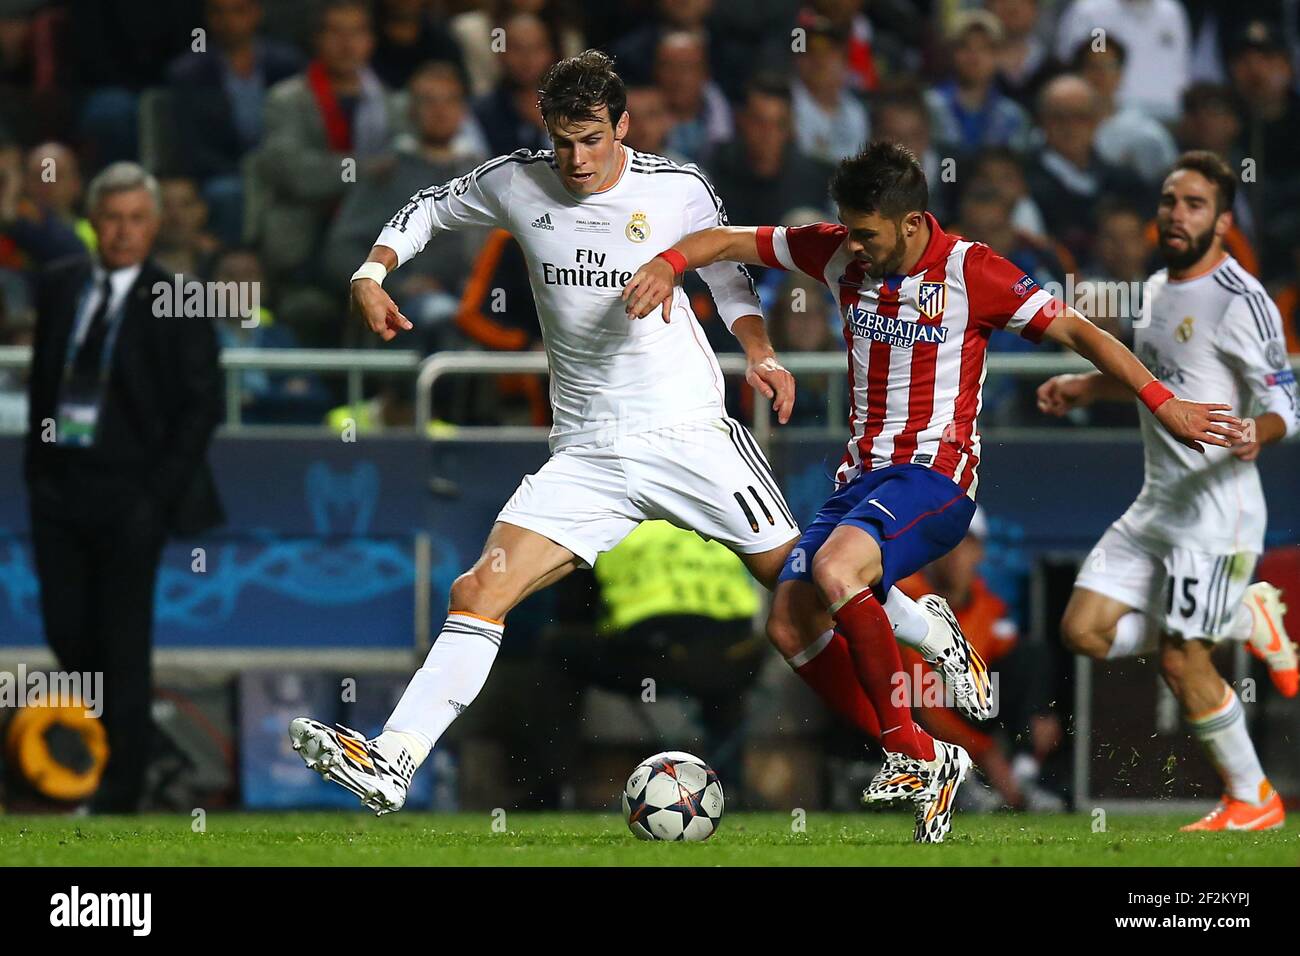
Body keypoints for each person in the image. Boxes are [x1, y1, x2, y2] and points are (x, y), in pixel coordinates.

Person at [622, 141, 1241, 842]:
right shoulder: (835, 250)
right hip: (858, 483)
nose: (853, 246)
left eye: (867, 233)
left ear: (912, 223)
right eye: (847, 229)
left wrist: (1162, 403)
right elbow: (726, 239)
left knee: (833, 570)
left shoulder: (971, 271)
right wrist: (667, 264)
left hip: (934, 478)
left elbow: (1074, 326)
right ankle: (927, 746)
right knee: (790, 623)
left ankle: (903, 748)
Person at [288, 49, 804, 814]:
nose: (576, 158)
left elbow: (728, 274)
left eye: (592, 139)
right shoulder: (516, 180)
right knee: (481, 587)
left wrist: (761, 351)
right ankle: (391, 763)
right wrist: (372, 271)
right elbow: (427, 207)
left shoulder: (676, 189)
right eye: (562, 141)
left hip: (685, 432)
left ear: (622, 125)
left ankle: (921, 712)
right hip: (589, 450)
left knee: (805, 583)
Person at [1038, 150, 1299, 832]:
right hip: (1158, 502)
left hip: (1218, 511)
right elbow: (1149, 374)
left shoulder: (1244, 302)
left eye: (1193, 205)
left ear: (1222, 219)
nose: (1176, 215)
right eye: (1169, 201)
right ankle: (1247, 617)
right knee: (1084, 632)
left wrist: (1256, 430)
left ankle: (1254, 799)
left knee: (1184, 660)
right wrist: (1083, 385)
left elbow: (1289, 406)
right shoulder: (1155, 288)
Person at [24, 162, 224, 813]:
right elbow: (44, 383)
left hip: (134, 494)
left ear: (155, 224)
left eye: (137, 219)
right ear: (92, 222)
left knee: (122, 641)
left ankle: (121, 788)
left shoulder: (181, 298)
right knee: (65, 631)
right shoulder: (58, 287)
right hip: (61, 491)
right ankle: (131, 746)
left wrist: (157, 498)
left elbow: (202, 407)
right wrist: (40, 471)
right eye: (112, 218)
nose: (123, 232)